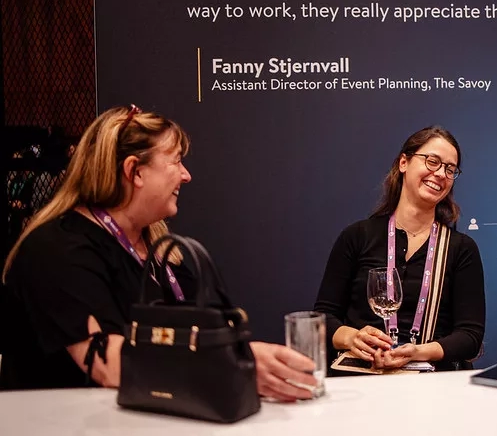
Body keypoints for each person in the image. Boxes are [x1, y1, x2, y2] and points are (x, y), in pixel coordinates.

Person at [1, 105, 317, 400]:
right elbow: (107, 364)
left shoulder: (162, 253)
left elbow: (200, 340)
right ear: (135, 172)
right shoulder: (57, 249)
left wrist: (241, 358)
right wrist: (229, 367)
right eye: (176, 160)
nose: (186, 175)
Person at [314, 126, 485, 371]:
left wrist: (418, 352)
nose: (440, 174)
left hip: (431, 385)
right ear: (404, 162)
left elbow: (470, 337)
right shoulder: (357, 236)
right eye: (432, 161)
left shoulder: (461, 248)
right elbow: (323, 317)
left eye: (450, 169)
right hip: (360, 379)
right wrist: (352, 337)